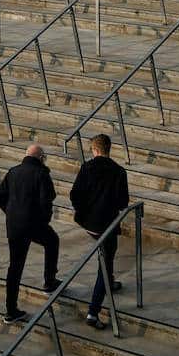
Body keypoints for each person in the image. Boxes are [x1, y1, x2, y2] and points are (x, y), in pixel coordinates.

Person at [68, 133, 130, 329]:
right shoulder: (119, 171)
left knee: (106, 255)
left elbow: (74, 194)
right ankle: (93, 313)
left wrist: (84, 211)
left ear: (94, 150)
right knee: (106, 262)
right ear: (108, 149)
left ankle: (109, 282)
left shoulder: (86, 168)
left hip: (89, 223)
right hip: (108, 225)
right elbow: (123, 202)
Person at [0, 144, 60, 324]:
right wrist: (44, 220)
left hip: (15, 225)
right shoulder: (41, 174)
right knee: (52, 241)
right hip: (34, 224)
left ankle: (10, 310)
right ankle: (49, 280)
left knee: (15, 267)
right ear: (41, 157)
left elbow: (0, 196)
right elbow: (47, 200)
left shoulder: (13, 171)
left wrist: (10, 212)